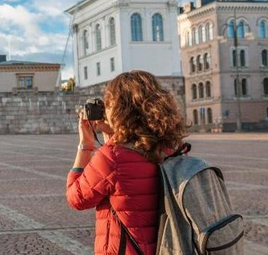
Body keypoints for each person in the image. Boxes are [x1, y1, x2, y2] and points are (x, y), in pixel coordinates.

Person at [66, 70, 187, 255]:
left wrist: (85, 145)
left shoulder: (112, 157)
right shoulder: (172, 147)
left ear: (119, 109)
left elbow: (77, 198)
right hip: (169, 248)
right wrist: (115, 137)